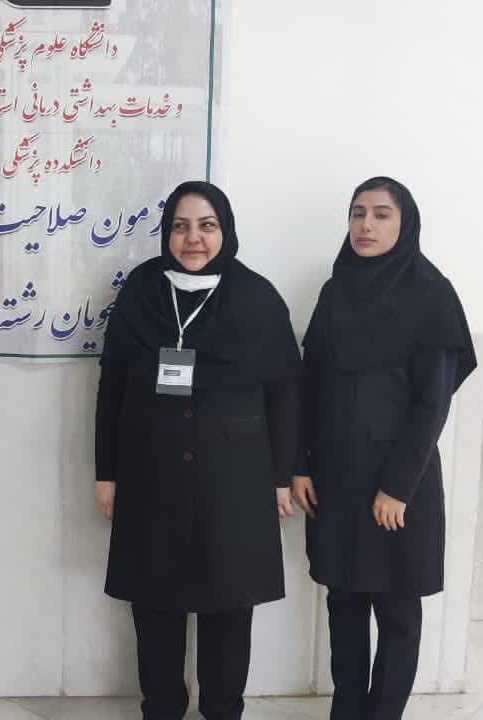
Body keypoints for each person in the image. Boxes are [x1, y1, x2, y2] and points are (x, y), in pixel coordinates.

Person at [94, 181, 302, 720]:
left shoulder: (257, 297)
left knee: (228, 609)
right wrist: (106, 472)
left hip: (235, 481)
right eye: (181, 227)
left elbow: (284, 392)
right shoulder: (141, 291)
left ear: (225, 230)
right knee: (155, 607)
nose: (193, 238)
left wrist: (281, 476)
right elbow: (112, 386)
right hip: (151, 477)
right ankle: (161, 709)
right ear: (166, 233)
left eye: (206, 226)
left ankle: (223, 710)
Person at [292, 177, 477, 720]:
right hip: (335, 477)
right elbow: (309, 383)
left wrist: (396, 487)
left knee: (397, 610)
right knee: (344, 604)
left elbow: (433, 403)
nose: (366, 226)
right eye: (357, 214)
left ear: (405, 223)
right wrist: (299, 464)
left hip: (399, 483)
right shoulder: (336, 290)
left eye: (380, 214)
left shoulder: (430, 294)